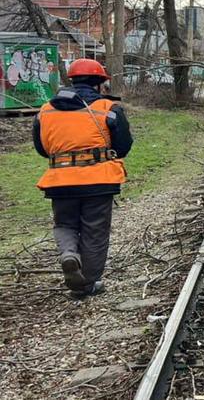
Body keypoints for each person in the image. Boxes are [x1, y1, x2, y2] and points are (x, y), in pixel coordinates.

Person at [33, 59, 133, 298]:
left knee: (64, 224)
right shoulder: (109, 108)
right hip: (98, 179)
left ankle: (69, 254)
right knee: (95, 231)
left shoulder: (45, 111)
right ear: (99, 83)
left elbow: (42, 148)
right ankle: (86, 284)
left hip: (60, 181)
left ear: (72, 80)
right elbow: (123, 146)